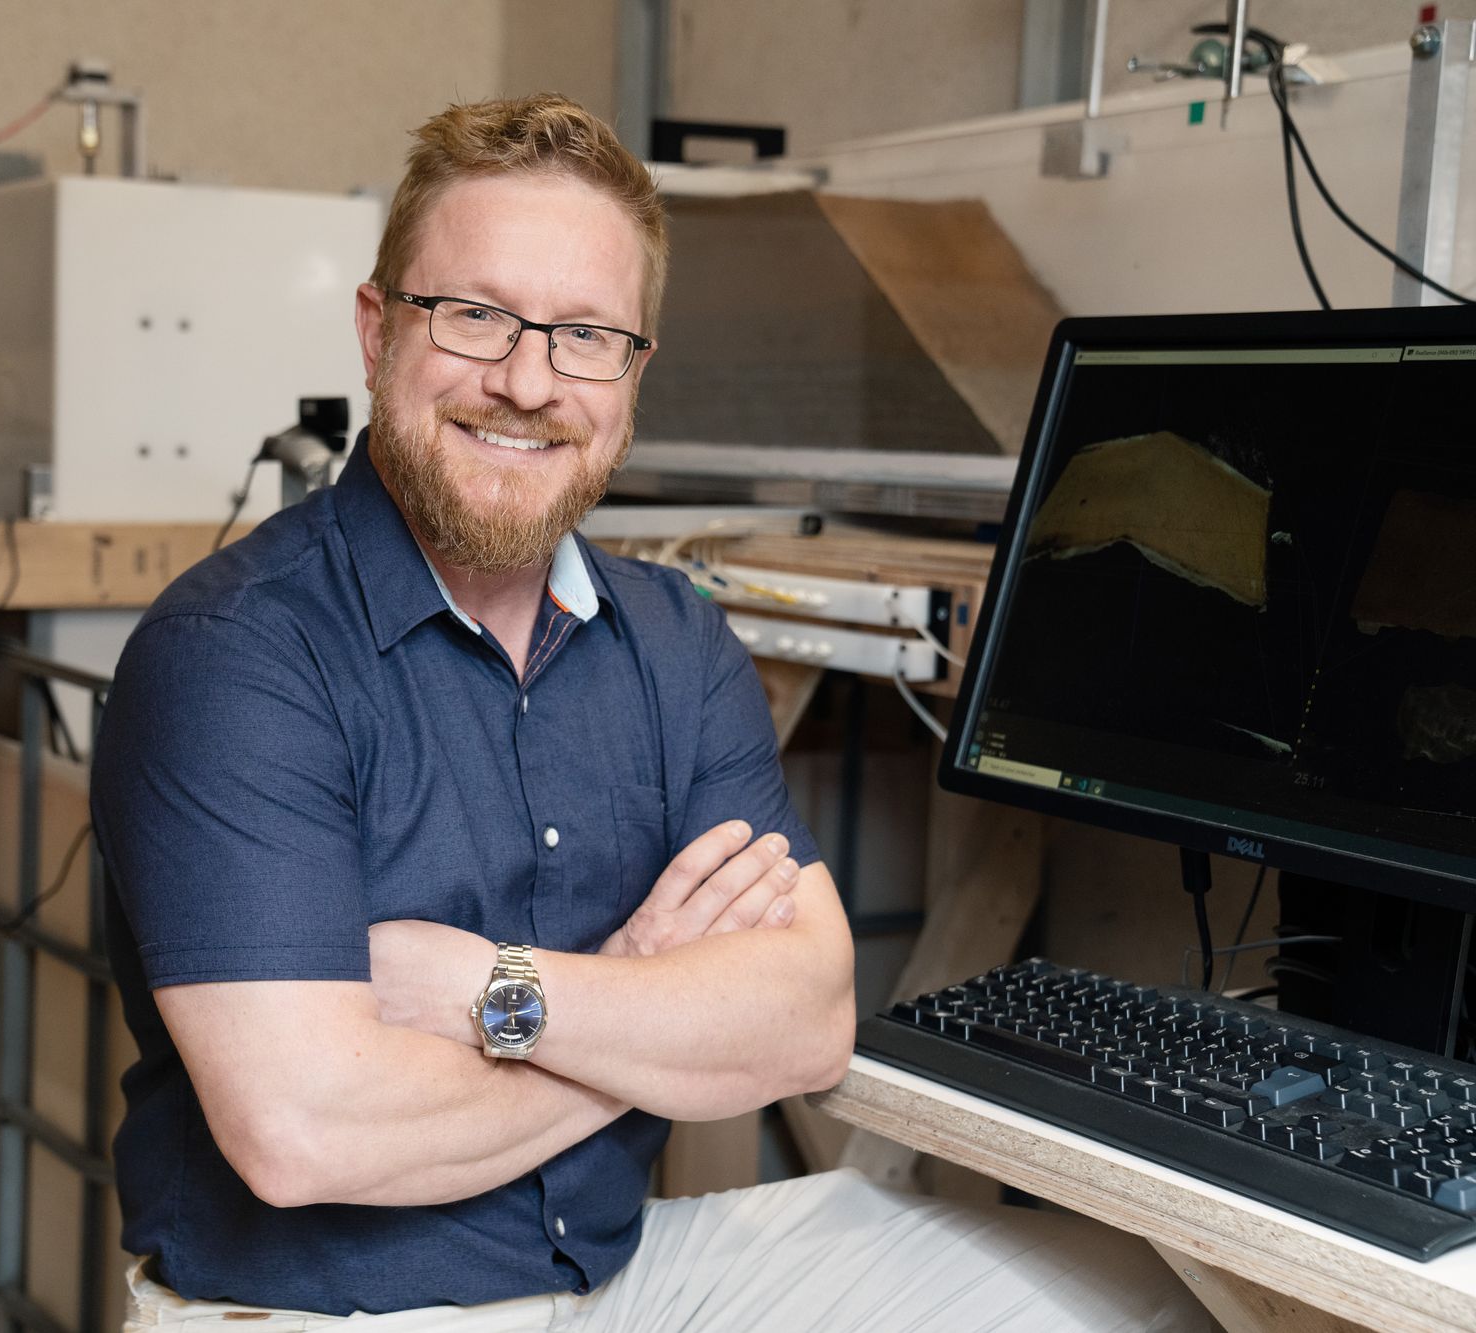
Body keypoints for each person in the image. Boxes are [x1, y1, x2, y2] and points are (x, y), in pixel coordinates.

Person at [90, 93, 1208, 1332]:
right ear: (374, 329)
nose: (526, 382)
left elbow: (807, 1017)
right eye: (474, 316)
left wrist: (497, 989)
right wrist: (643, 1001)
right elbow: (306, 1133)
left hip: (621, 1284)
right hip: (324, 1313)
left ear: (631, 375)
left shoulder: (672, 639)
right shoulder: (236, 655)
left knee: (1122, 1296)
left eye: (583, 335)